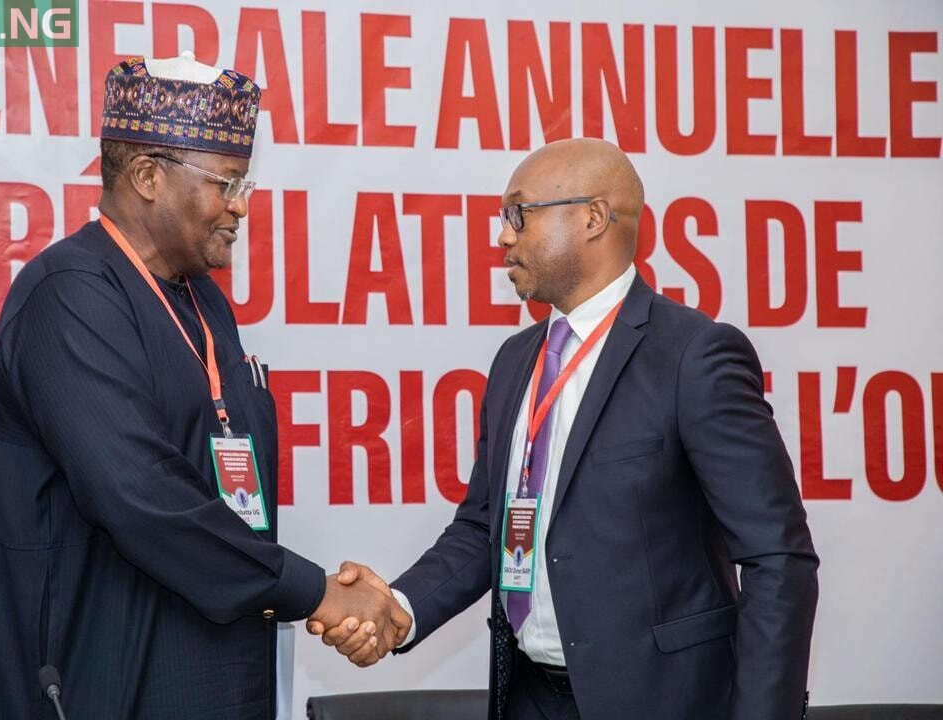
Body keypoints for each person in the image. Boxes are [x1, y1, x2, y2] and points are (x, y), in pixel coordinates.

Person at [0, 52, 409, 719]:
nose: (240, 207)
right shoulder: (68, 298)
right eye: (225, 182)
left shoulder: (205, 303)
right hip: (96, 682)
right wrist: (317, 593)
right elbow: (138, 494)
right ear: (147, 176)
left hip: (213, 669)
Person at [311, 138, 819, 720]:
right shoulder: (513, 362)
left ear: (593, 218)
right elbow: (485, 528)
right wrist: (399, 607)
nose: (503, 236)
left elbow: (779, 559)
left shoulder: (692, 356)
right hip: (529, 697)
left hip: (662, 700)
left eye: (518, 214)